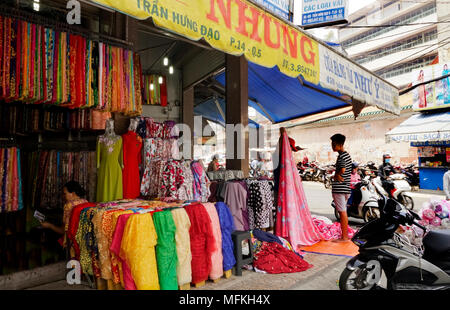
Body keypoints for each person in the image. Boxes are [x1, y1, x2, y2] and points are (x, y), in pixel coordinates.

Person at [40, 181, 88, 247]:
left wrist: (49, 226)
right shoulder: (85, 202)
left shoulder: (68, 205)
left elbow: (64, 230)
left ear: (73, 194)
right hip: (83, 241)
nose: (63, 196)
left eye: (65, 194)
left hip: (71, 243)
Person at [330, 133, 352, 242]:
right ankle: (345, 235)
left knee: (342, 212)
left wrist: (337, 174)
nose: (332, 146)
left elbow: (342, 169)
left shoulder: (342, 156)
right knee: (344, 212)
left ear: (340, 144)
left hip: (340, 188)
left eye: (334, 144)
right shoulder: (347, 155)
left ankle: (344, 237)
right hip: (346, 188)